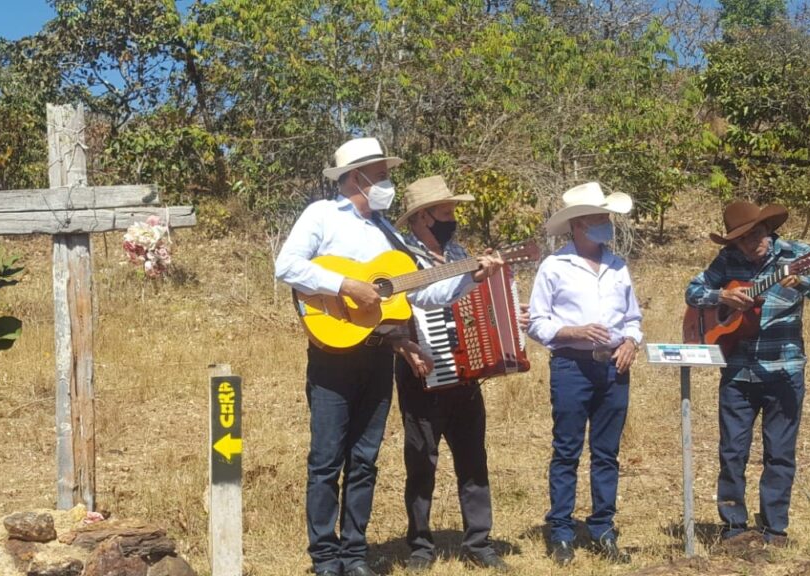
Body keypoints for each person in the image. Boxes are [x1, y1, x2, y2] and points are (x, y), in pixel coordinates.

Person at [274, 138, 502, 576]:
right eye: (380, 175)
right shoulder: (322, 215)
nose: (387, 182)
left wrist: (471, 278)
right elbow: (286, 266)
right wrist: (346, 286)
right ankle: (325, 557)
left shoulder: (389, 233)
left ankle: (354, 554)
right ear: (354, 178)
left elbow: (423, 291)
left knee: (364, 459)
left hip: (379, 354)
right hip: (333, 353)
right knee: (326, 460)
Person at [390, 175, 527, 572]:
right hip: (421, 369)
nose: (453, 218)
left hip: (465, 373)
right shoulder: (401, 259)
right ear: (423, 217)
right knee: (421, 461)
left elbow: (480, 306)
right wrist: (471, 277)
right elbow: (420, 298)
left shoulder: (460, 253)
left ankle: (479, 542)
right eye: (446, 212)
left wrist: (509, 316)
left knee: (473, 458)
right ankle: (419, 546)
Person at [685, 201, 810, 546]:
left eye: (755, 235)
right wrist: (721, 294)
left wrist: (802, 283)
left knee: (779, 452)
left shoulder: (799, 254)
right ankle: (733, 527)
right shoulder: (727, 262)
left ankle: (774, 528)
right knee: (732, 452)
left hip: (784, 369)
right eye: (741, 240)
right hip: (737, 372)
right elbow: (692, 291)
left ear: (767, 229)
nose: (750, 244)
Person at [526, 182, 642, 567]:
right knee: (567, 450)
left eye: (606, 217)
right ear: (577, 224)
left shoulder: (618, 265)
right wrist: (571, 332)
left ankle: (602, 527)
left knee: (607, 452)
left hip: (613, 366)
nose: (605, 223)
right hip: (571, 366)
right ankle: (561, 531)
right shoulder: (554, 266)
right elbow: (537, 322)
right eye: (597, 217)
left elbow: (633, 319)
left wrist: (631, 342)